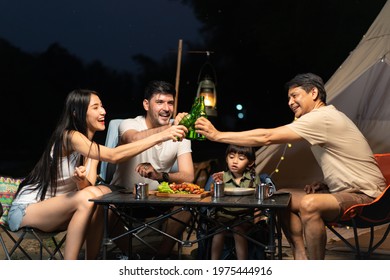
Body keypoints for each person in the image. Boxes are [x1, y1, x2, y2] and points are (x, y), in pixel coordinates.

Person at [194, 72, 387, 260]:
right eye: (288, 98)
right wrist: (326, 184)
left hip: (369, 197)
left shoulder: (322, 117)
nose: (290, 102)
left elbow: (267, 137)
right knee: (282, 197)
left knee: (309, 204)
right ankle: (300, 256)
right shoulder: (325, 117)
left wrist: (217, 135)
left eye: (295, 96)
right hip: (349, 192)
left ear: (313, 93)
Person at [8, 89, 187, 260]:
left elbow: (88, 188)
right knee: (89, 197)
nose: (103, 112)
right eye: (95, 107)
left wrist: (81, 181)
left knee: (101, 194)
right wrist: (162, 135)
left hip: (58, 210)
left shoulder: (91, 148)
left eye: (102, 106)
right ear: (77, 113)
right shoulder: (69, 136)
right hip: (27, 210)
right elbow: (114, 156)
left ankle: (91, 263)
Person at [110, 80, 194, 259]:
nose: (166, 108)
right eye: (160, 102)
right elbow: (133, 139)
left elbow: (188, 176)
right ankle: (132, 256)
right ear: (146, 104)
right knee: (104, 208)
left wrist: (160, 175)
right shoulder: (129, 124)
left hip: (159, 200)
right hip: (122, 198)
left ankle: (160, 258)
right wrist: (168, 129)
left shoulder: (180, 132)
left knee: (188, 204)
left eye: (170, 103)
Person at [210, 144, 261, 260]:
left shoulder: (253, 178)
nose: (235, 161)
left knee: (238, 229)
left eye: (241, 159)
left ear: (250, 162)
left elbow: (259, 201)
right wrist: (217, 185)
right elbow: (213, 198)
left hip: (244, 218)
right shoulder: (222, 176)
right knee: (219, 231)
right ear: (226, 158)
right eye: (231, 157)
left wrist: (256, 220)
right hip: (224, 216)